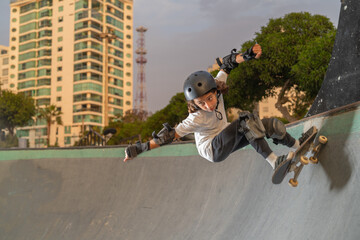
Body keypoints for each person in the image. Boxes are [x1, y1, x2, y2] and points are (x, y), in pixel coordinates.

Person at [123, 44, 315, 172]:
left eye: (210, 98)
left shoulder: (217, 85)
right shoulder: (196, 118)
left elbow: (229, 63)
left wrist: (247, 55)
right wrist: (137, 149)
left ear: (216, 90)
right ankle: (275, 162)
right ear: (194, 104)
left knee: (269, 125)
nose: (208, 105)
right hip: (213, 150)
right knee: (245, 121)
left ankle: (298, 146)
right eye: (201, 103)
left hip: (226, 137)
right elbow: (167, 137)